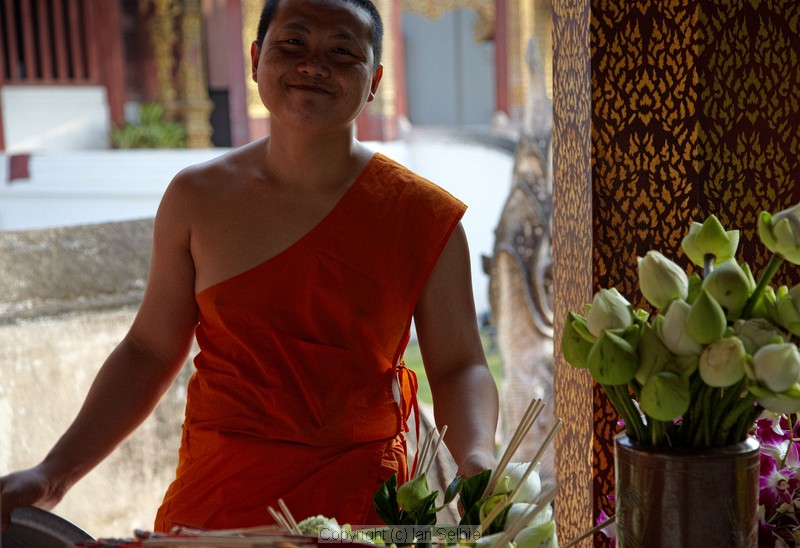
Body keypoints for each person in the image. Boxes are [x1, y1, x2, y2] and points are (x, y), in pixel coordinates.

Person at [0, 0, 499, 533]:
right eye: (293, 44)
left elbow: (458, 365)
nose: (314, 64)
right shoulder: (198, 198)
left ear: (374, 80)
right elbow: (148, 350)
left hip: (358, 509)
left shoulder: (422, 215)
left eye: (342, 51)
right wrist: (54, 475)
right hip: (217, 502)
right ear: (257, 58)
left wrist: (477, 461)